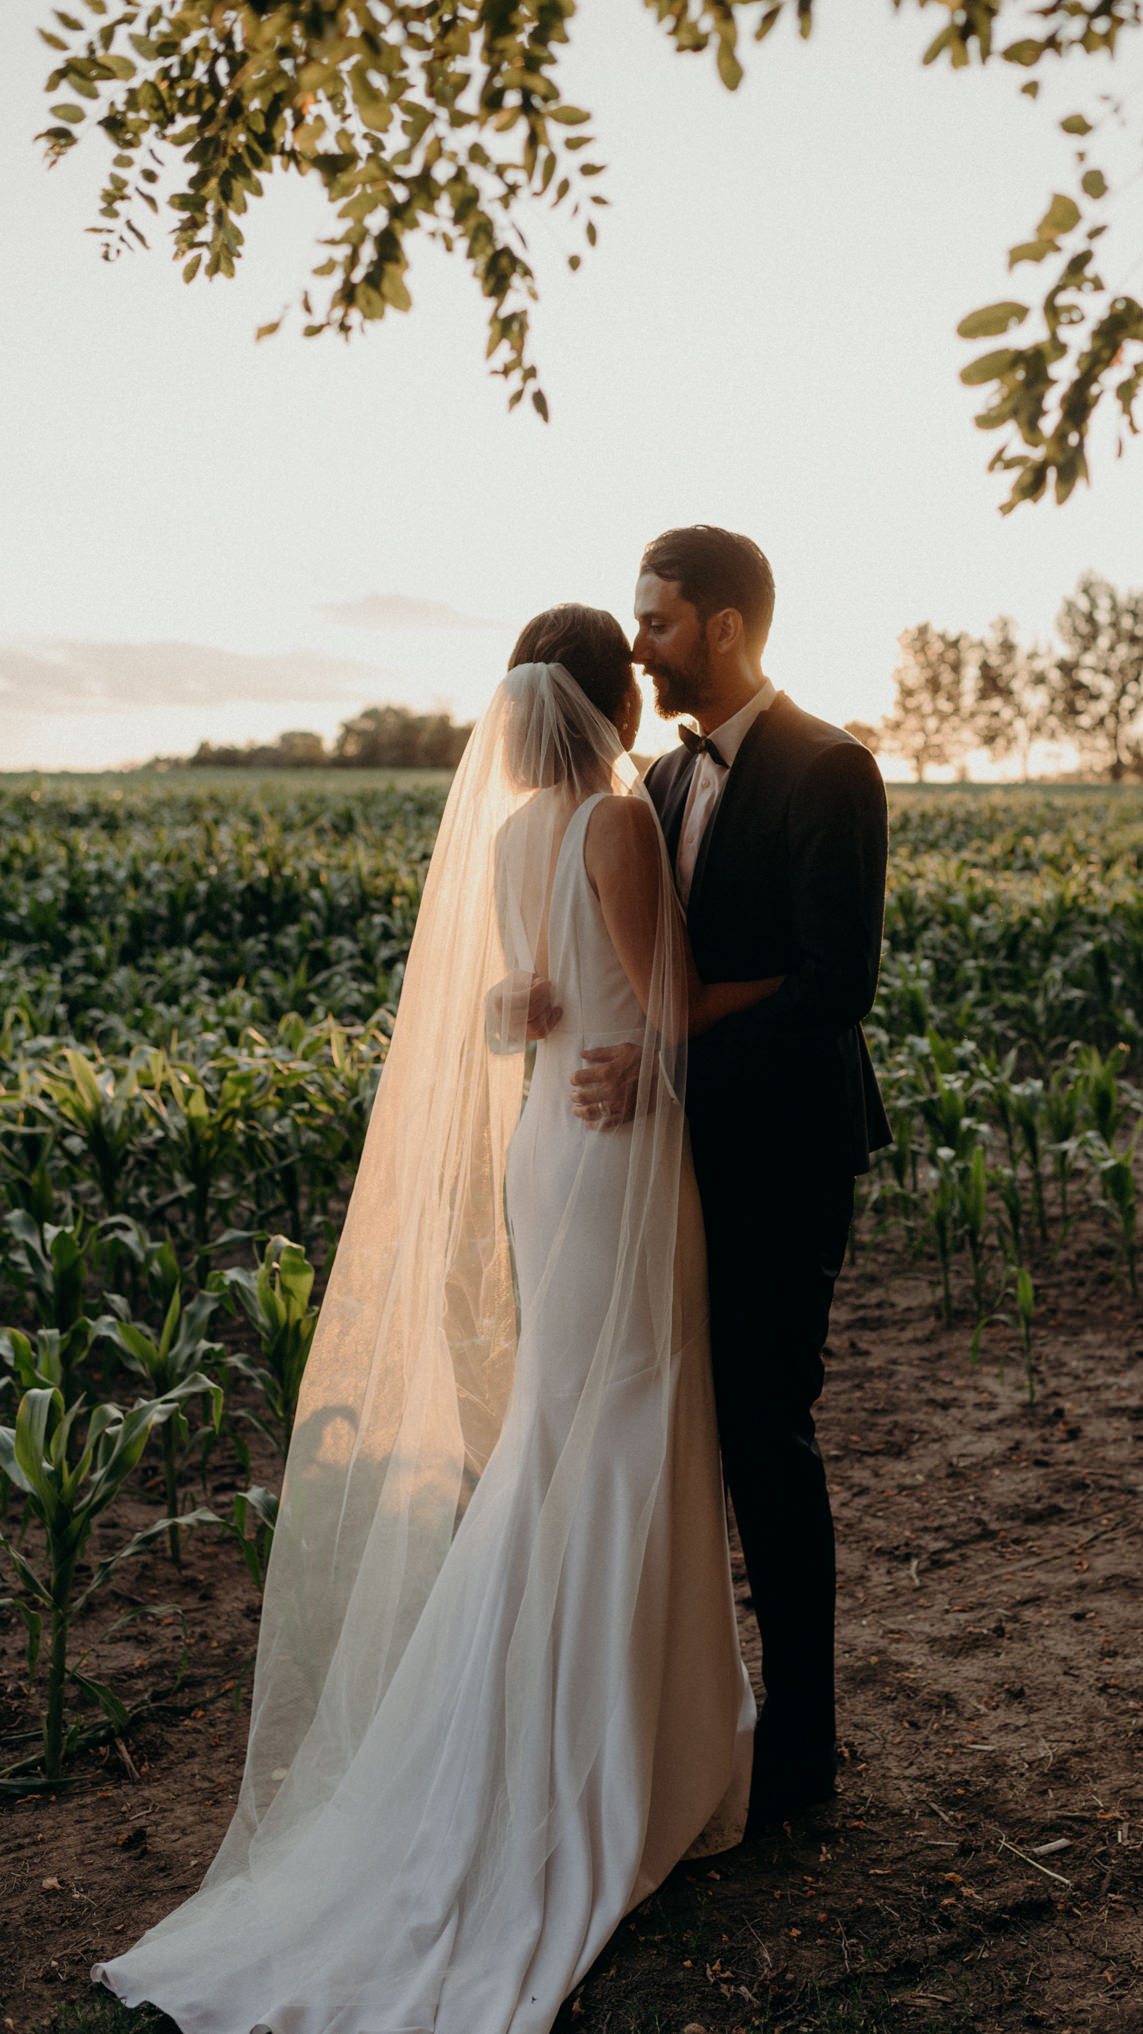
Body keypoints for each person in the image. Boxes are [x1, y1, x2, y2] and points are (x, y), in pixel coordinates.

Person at [93, 607, 783, 2034]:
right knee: (630, 1413)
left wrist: (548, 1012)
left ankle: (520, 1725)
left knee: (561, 1421)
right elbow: (660, 1010)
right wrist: (786, 982)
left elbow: (501, 1008)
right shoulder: (609, 825)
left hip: (550, 1142)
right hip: (615, 1150)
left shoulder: (512, 833)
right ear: (607, 705)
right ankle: (618, 1754)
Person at [567, 529, 890, 1822]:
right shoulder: (652, 779)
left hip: (786, 1158)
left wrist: (672, 1071)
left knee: (766, 1437)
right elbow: (649, 966)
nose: (637, 645)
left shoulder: (831, 769)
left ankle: (803, 1759)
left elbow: (834, 989)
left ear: (724, 628)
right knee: (677, 1441)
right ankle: (701, 1732)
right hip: (676, 1175)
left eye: (656, 622)